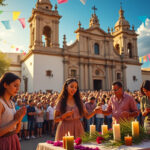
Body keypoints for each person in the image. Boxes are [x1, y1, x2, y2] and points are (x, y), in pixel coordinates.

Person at [0, 72, 26, 150]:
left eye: (18, 86)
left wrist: (20, 118)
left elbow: (16, 130)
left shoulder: (12, 103)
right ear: (5, 85)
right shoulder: (1, 103)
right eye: (15, 85)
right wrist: (16, 120)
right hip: (3, 142)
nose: (17, 89)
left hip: (13, 139)